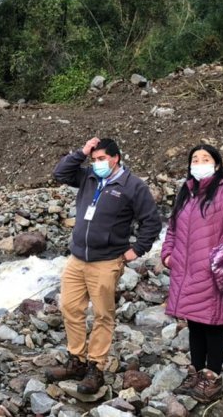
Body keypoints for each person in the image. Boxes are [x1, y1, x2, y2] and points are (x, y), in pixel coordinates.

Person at [46, 137, 162, 394]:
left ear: (116, 158)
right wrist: (82, 151)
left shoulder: (133, 186)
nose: (97, 163)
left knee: (102, 314)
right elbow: (60, 173)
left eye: (102, 159)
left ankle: (95, 368)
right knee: (70, 308)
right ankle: (76, 360)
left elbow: (151, 222)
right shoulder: (88, 177)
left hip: (107, 261)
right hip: (77, 258)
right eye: (94, 159)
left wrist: (135, 251)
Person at [160, 144, 223, 402]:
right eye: (195, 158)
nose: (199, 162)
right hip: (186, 270)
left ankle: (211, 377)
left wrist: (222, 257)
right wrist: (168, 254)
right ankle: (196, 372)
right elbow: (172, 228)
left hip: (214, 272)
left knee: (213, 324)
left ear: (216, 164)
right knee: (194, 323)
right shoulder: (187, 192)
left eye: (205, 158)